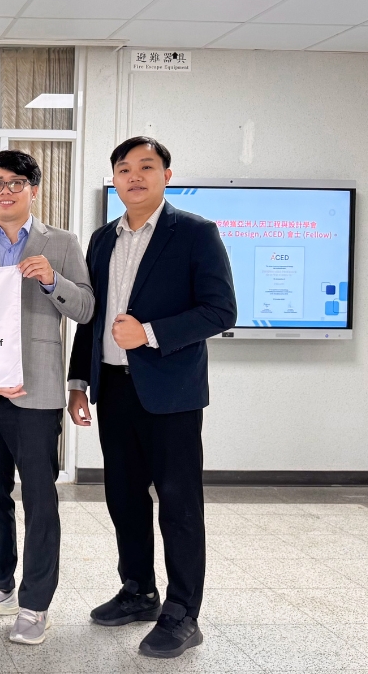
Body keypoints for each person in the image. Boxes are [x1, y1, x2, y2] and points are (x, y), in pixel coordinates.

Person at [67, 137, 236, 658]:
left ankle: (183, 612)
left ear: (167, 174)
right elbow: (92, 315)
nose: (135, 176)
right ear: (114, 179)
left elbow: (221, 310)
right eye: (124, 169)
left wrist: (150, 333)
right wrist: (79, 382)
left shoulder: (196, 233)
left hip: (171, 394)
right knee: (124, 498)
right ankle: (138, 590)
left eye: (146, 166)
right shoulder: (102, 238)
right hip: (114, 387)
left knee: (178, 505)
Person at [0, 150, 94, 645]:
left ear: (33, 189)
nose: (4, 191)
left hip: (37, 392)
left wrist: (52, 280)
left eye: (14, 183)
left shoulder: (62, 243)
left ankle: (35, 603)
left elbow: (86, 309)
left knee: (40, 501)